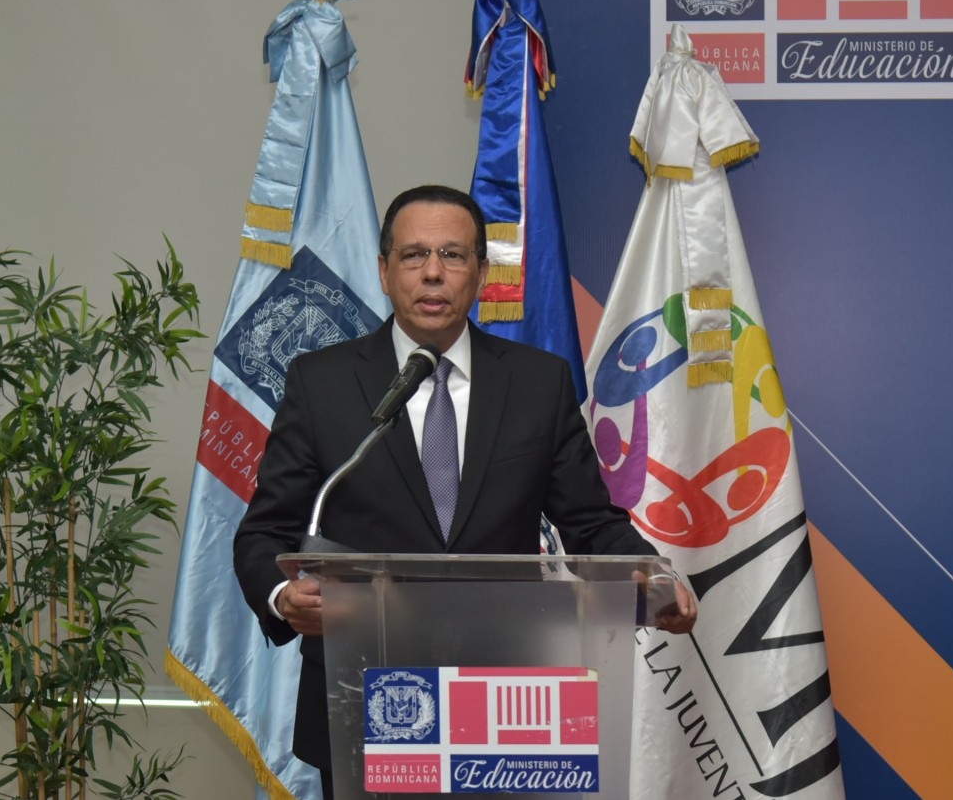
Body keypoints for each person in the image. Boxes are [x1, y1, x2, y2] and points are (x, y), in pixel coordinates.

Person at [233, 184, 696, 792]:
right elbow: (264, 531)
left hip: (509, 697)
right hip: (367, 693)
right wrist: (281, 596)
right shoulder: (322, 383)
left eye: (452, 256)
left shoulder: (538, 383)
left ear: (480, 271)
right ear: (383, 270)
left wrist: (653, 572)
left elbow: (590, 521)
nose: (432, 273)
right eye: (413, 255)